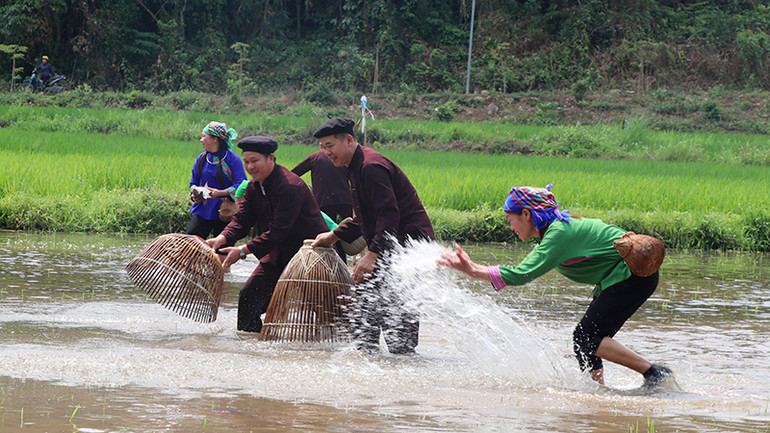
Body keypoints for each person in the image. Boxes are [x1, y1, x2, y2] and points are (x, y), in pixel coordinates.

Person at [437, 184, 673, 387]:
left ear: (527, 215)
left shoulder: (559, 234)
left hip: (631, 278)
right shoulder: (555, 231)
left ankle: (654, 373)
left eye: (511, 219)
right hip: (624, 279)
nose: (510, 227)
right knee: (586, 340)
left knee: (586, 337)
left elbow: (521, 274)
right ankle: (597, 391)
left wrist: (471, 269)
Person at [311, 117, 435, 355]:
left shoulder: (371, 166)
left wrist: (372, 255)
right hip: (391, 243)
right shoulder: (355, 167)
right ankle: (370, 366)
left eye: (330, 146)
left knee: (397, 313)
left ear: (348, 140)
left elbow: (389, 215)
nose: (326, 152)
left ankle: (404, 367)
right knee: (365, 310)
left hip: (408, 246)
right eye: (322, 147)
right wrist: (333, 236)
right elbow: (364, 217)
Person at [206, 135, 328, 333]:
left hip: (311, 256)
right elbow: (242, 220)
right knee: (249, 297)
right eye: (246, 162)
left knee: (322, 310)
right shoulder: (254, 187)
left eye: (255, 161)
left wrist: (243, 251)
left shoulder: (290, 187)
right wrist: (221, 238)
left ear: (271, 158)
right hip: (278, 253)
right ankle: (253, 349)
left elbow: (278, 231)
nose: (250, 167)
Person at [186, 121, 247, 240]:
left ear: (215, 139)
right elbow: (193, 182)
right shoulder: (202, 158)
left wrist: (222, 193)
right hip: (203, 210)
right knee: (191, 244)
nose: (201, 139)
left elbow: (241, 184)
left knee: (221, 249)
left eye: (204, 136)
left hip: (225, 211)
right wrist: (194, 193)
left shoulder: (232, 159)